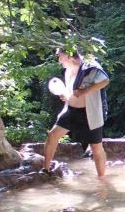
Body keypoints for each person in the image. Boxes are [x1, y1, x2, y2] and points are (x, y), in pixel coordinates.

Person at [43, 48, 110, 177]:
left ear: (68, 55)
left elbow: (105, 80)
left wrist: (84, 92)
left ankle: (102, 180)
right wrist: (65, 95)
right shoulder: (68, 69)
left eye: (60, 56)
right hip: (71, 110)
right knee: (52, 135)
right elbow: (72, 92)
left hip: (90, 112)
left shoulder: (89, 66)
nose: (59, 59)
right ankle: (45, 170)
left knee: (96, 147)